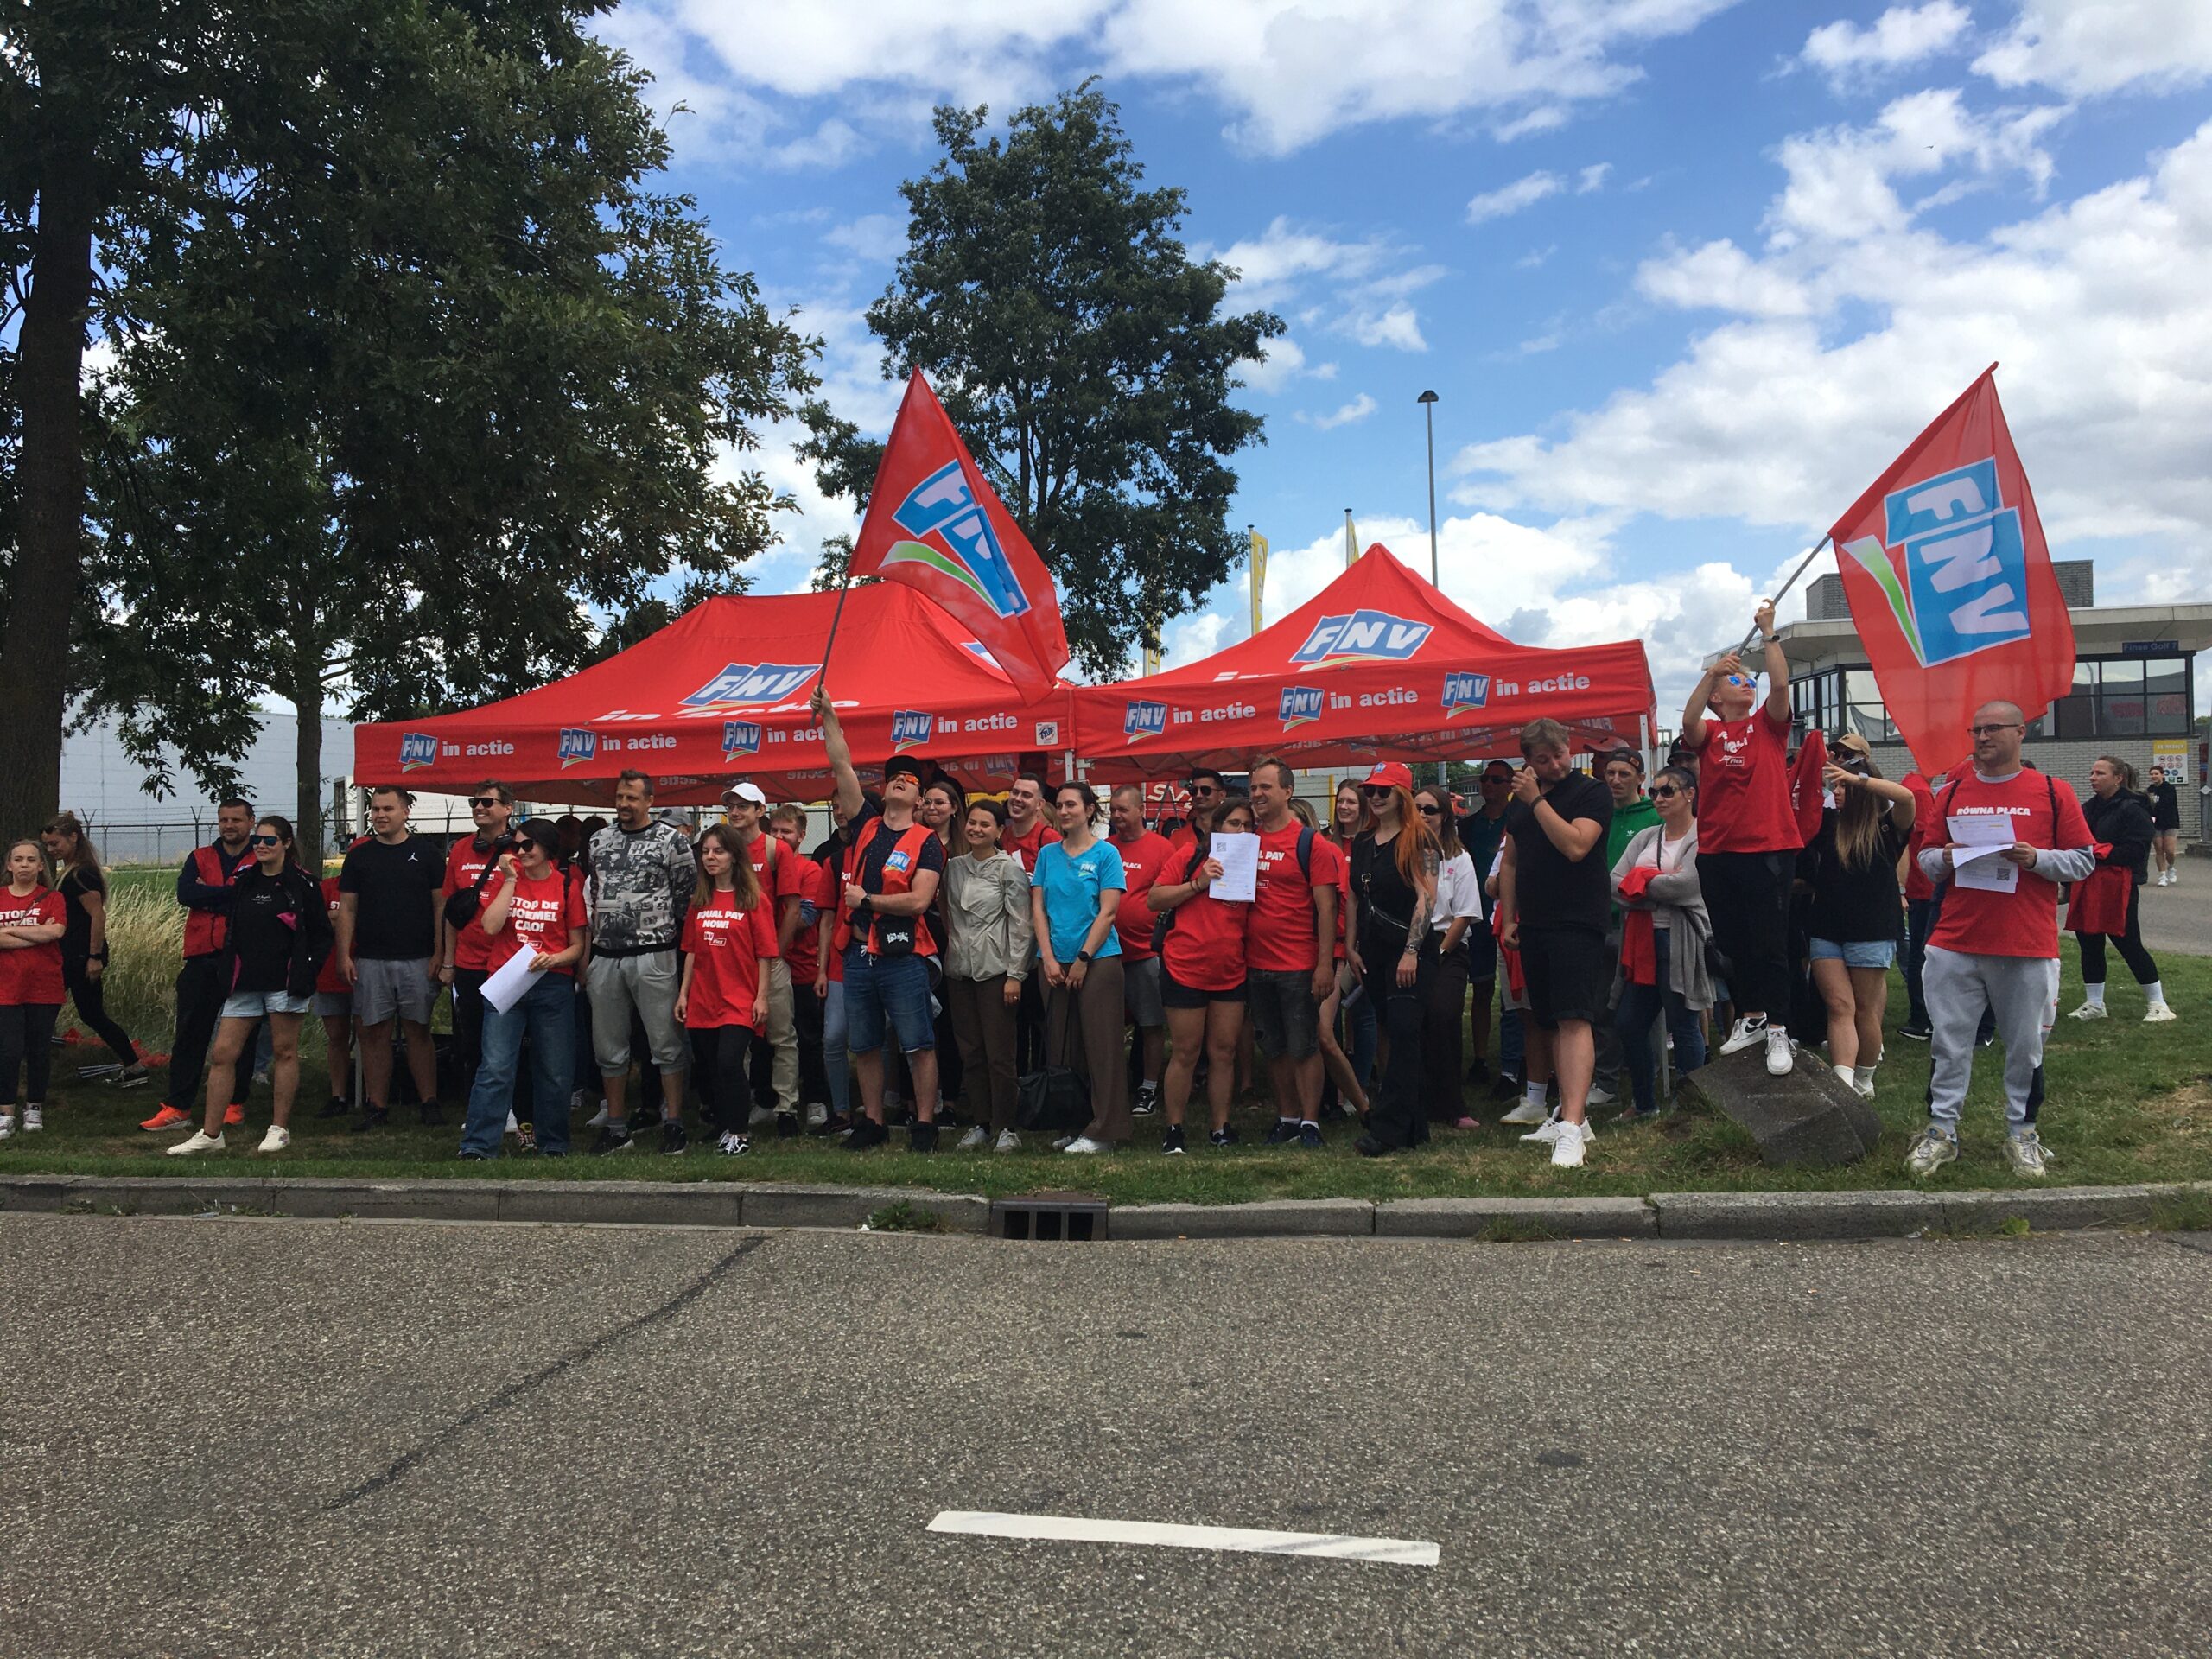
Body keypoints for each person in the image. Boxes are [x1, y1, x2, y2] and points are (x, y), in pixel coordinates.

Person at [1906, 701, 2097, 1179]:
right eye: (1976, 730)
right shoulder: (1952, 792)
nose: (1983, 737)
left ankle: (2022, 1133)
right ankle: (1941, 1130)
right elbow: (1925, 859)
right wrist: (1945, 858)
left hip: (2026, 943)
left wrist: (2037, 859)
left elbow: (2083, 860)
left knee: (2025, 1047)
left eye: (1993, 728)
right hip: (1956, 940)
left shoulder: (2053, 791)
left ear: (2021, 732)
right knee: (1949, 1043)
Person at [813, 689, 947, 1152]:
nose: (900, 782)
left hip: (903, 955)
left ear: (919, 798)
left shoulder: (927, 840)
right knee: (865, 1044)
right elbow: (841, 764)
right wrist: (830, 716)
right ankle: (872, 1122)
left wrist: (867, 899)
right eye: (894, 778)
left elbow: (919, 900)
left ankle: (924, 1124)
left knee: (917, 1043)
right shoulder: (866, 822)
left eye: (909, 780)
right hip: (858, 954)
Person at [1681, 600, 1800, 1077]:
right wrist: (1711, 673)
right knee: (1732, 942)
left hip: (1767, 848)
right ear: (1716, 697)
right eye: (1736, 680)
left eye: (1748, 680)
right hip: (1717, 851)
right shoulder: (1709, 733)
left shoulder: (1767, 726)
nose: (1746, 683)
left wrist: (1769, 633)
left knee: (1770, 943)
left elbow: (1781, 686)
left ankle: (1780, 1029)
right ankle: (1751, 1016)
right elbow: (1688, 722)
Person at [166, 817, 334, 1155]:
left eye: (270, 841)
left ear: (286, 844)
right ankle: (211, 1134)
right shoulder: (244, 881)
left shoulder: (303, 884)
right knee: (223, 1053)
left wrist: (307, 970)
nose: (261, 846)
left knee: (284, 1051)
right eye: (258, 840)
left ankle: (279, 1129)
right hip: (244, 982)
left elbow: (321, 934)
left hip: (285, 982)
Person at [1494, 718, 1613, 1168]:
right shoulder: (1522, 802)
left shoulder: (1590, 792)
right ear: (1529, 761)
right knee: (1548, 1021)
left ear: (1570, 748)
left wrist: (1538, 801)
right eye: (1543, 760)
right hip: (1536, 922)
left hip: (1578, 920)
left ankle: (1572, 1127)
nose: (1555, 765)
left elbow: (1576, 846)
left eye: (1559, 754)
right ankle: (1568, 1113)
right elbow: (1510, 861)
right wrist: (1510, 916)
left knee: (1574, 1018)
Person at [457, 817, 588, 1160]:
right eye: (516, 845)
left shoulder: (566, 886)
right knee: (495, 1066)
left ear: (547, 848)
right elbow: (490, 927)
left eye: (527, 845)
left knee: (555, 1069)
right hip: (507, 980)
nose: (520, 852)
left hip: (552, 983)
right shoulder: (507, 880)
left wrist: (554, 958)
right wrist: (511, 881)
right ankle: (478, 1144)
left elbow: (577, 946)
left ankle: (553, 1142)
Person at [583, 770, 696, 1154]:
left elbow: (685, 896)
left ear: (649, 801)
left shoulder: (672, 841)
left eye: (632, 797)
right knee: (609, 1047)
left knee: (665, 1043)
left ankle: (674, 1122)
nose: (624, 804)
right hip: (606, 955)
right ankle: (616, 1128)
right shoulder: (598, 841)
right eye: (619, 797)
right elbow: (596, 891)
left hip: (654, 953)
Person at [1802, 734, 1916, 1099]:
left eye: (1842, 788)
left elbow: (1906, 797)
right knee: (1839, 1006)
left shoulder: (1887, 827)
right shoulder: (1827, 824)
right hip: (1826, 928)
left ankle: (1864, 1079)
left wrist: (1859, 779)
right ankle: (1843, 1086)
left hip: (1873, 930)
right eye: (1836, 787)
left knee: (1865, 1010)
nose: (1836, 793)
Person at [1242, 757, 1344, 1149]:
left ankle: (1311, 1121)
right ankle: (1286, 1118)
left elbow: (1326, 908)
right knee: (1274, 1047)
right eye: (1253, 787)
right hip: (1256, 963)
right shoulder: (1246, 841)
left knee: (1304, 1046)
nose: (1257, 794)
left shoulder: (1310, 843)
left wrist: (1324, 965)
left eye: (1265, 787)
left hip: (1298, 964)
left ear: (1288, 791)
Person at [139, 798, 257, 1134]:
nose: (229, 825)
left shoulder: (259, 856)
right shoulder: (200, 857)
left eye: (236, 819)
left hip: (244, 958)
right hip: (200, 956)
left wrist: (212, 894)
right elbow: (186, 894)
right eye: (224, 819)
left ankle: (234, 1103)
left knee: (243, 1037)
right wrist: (230, 895)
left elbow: (254, 898)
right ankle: (178, 1107)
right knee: (190, 1034)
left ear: (251, 821)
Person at [666, 821, 778, 1158]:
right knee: (711, 1067)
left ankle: (740, 1132)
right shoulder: (699, 900)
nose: (711, 857)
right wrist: (683, 994)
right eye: (706, 852)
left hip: (739, 998)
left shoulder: (754, 900)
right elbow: (690, 951)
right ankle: (724, 1125)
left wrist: (762, 997)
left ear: (734, 856)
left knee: (730, 1062)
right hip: (703, 997)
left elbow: (765, 953)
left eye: (719, 851)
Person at [337, 785, 445, 1131]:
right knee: (374, 1034)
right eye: (375, 809)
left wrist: (440, 953)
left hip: (418, 958)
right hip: (370, 959)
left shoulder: (427, 854)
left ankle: (429, 1103)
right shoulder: (360, 856)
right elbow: (347, 908)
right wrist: (344, 954)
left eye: (388, 809)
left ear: (405, 812)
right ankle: (377, 1106)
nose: (380, 815)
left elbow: (440, 906)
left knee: (418, 1031)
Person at [1149, 795, 1254, 1151]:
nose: (1241, 830)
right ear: (1218, 826)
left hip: (1230, 970)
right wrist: (1198, 883)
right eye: (1234, 823)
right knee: (1186, 1052)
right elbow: (1154, 899)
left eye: (1247, 825)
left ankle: (1220, 1127)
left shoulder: (1252, 863)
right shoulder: (1190, 856)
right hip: (1185, 967)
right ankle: (1174, 1129)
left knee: (1224, 1052)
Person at [1030, 781, 1128, 1154]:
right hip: (1054, 962)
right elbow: (1038, 908)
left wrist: (1083, 959)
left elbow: (1108, 912)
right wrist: (1048, 957)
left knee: (1101, 1047)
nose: (1064, 811)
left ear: (1089, 810)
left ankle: (1105, 1129)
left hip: (1097, 960)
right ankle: (1073, 1122)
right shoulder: (1047, 855)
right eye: (1059, 805)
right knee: (1063, 1047)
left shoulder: (1106, 854)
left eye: (1071, 804)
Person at [1609, 766, 1713, 1120]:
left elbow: (1686, 887)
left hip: (1678, 939)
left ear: (1690, 794)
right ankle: (1643, 1102)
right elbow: (1615, 883)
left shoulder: (1701, 837)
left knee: (1683, 1021)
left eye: (1667, 791)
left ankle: (1691, 1103)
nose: (1658, 799)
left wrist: (1638, 883)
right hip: (1641, 941)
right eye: (1654, 792)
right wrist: (1654, 883)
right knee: (1628, 1022)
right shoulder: (1646, 837)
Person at [1347, 765, 1440, 1155]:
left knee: (1403, 1033)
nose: (1375, 797)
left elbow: (1426, 897)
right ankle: (1414, 1125)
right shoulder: (1363, 842)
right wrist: (1350, 946)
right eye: (1370, 790)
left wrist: (1411, 951)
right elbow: (1354, 897)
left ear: (1402, 795)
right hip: (1373, 951)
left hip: (1409, 951)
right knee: (1394, 1032)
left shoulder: (1420, 839)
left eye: (1384, 791)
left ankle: (1387, 1129)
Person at [942, 798, 1033, 1151]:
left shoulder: (1008, 869)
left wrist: (1015, 975)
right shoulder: (953, 867)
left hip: (996, 971)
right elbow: (947, 913)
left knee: (1000, 1053)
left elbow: (1022, 926)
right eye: (972, 823)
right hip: (959, 971)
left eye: (985, 824)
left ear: (998, 831)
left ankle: (1007, 1126)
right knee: (971, 1051)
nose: (976, 829)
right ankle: (981, 1122)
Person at [721, 781, 804, 1135]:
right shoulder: (722, 847)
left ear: (760, 811)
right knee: (736, 1039)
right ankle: (739, 1108)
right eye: (731, 806)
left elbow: (793, 907)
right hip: (733, 962)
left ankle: (786, 1107)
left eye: (743, 806)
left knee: (782, 1035)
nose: (735, 811)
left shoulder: (775, 849)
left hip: (769, 959)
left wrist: (775, 953)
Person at [38, 813, 146, 1085]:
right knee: (91, 1014)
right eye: (47, 845)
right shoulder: (71, 870)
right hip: (73, 953)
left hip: (80, 956)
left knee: (44, 1006)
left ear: (73, 838)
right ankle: (134, 1067)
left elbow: (97, 916)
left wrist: (94, 957)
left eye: (55, 843)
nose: (50, 850)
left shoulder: (81, 874)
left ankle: (35, 1065)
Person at [2068, 757, 2175, 1024]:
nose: (2092, 777)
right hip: (2088, 882)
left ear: (2118, 778)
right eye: (2092, 773)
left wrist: (2099, 852)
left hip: (2119, 884)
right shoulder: (2089, 808)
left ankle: (2158, 1003)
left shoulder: (2133, 808)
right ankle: (2094, 1004)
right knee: (2089, 942)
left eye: (2100, 773)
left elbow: (2136, 850)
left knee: (2128, 943)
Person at [437, 780, 515, 1116]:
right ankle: (479, 1110)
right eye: (474, 802)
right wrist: (448, 961)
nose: (479, 807)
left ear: (508, 809)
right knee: (472, 1041)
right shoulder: (460, 850)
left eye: (487, 802)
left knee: (506, 1040)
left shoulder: (522, 849)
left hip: (507, 964)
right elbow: (451, 911)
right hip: (468, 964)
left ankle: (512, 1108)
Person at [1592, 750, 1659, 1107]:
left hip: (1637, 924)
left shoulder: (1653, 816)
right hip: (1599, 922)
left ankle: (1647, 1078)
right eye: (1610, 773)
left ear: (1640, 779)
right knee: (1601, 1006)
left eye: (1624, 774)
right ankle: (1606, 1081)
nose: (1615, 780)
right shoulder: (1597, 814)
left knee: (1641, 1009)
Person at [1415, 783, 1483, 1128]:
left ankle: (1453, 1105)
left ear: (1444, 816)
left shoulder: (1459, 858)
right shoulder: (1404, 854)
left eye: (1430, 810)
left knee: (1444, 1015)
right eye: (1417, 809)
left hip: (1448, 947)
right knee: (1414, 1022)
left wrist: (1439, 954)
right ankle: (1420, 1101)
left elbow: (1465, 914)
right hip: (1410, 946)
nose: (1422, 815)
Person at [1107, 785, 1174, 1118]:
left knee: (1150, 1024)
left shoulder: (1162, 848)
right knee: (1109, 1026)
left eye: (1123, 809)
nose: (1117, 816)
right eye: (1113, 810)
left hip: (1145, 952)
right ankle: (1113, 1086)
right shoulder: (1106, 848)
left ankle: (1148, 1087)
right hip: (1107, 953)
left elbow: (1170, 894)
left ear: (1140, 810)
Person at [0, 840, 67, 1137]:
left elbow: (56, 931)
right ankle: (5, 1112)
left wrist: (9, 930)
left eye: (31, 859)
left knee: (39, 1050)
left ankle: (34, 1108)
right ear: (9, 865)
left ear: (41, 866)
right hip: (6, 987)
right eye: (18, 859)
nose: (24, 864)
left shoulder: (53, 898)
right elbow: (45, 933)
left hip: (43, 986)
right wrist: (37, 933)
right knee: (9, 1051)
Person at [769, 804, 830, 1126]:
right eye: (774, 831)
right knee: (769, 1037)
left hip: (803, 967)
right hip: (767, 965)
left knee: (807, 1037)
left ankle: (816, 1099)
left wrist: (771, 918)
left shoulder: (810, 871)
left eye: (786, 831)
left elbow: (805, 917)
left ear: (801, 836)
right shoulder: (762, 868)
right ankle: (768, 1098)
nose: (779, 837)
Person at [1459, 759, 1516, 1096]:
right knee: (1481, 990)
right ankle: (1480, 1059)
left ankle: (1516, 1060)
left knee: (1512, 994)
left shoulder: (1518, 820)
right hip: (1477, 917)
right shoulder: (1469, 826)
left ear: (1510, 785)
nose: (1488, 785)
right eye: (1484, 779)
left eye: (1496, 779)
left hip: (1508, 917)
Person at [1320, 781, 1376, 1116]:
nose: (1344, 807)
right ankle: (1338, 1091)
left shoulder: (1371, 843)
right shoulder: (1326, 843)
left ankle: (1362, 1083)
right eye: (1340, 801)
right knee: (1331, 1021)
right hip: (1332, 943)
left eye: (1351, 802)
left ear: (1363, 807)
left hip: (1364, 941)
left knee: (1364, 1014)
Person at [313, 869, 355, 1124]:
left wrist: (339, 917)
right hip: (329, 972)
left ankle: (371, 1097)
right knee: (337, 1036)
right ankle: (338, 1095)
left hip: (365, 969)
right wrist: (348, 916)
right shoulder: (327, 887)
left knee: (370, 1036)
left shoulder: (373, 885)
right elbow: (317, 921)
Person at [1168, 770, 1228, 852]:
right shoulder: (1177, 837)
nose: (1198, 795)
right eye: (1194, 791)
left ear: (1221, 795)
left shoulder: (1232, 833)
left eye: (1206, 790)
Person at [2146, 766, 2181, 886]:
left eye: (2156, 774)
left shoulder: (2169, 788)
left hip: (2170, 822)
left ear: (2162, 775)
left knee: (2169, 850)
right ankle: (2162, 875)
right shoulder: (2150, 790)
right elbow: (2148, 806)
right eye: (2152, 774)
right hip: (2156, 823)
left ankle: (2171, 867)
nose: (2154, 776)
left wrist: (2155, 807)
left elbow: (2167, 804)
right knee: (2159, 848)